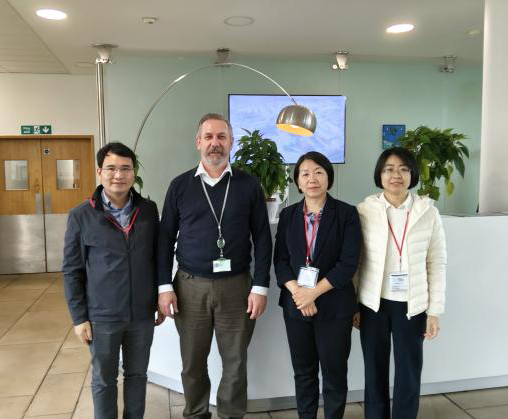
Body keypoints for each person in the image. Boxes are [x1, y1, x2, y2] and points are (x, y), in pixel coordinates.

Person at [158, 113, 272, 419]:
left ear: (231, 142)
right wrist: (164, 287)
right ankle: (196, 413)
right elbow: (165, 239)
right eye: (208, 137)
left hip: (237, 287)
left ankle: (231, 415)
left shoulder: (249, 185)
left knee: (235, 362)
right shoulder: (180, 186)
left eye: (222, 137)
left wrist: (260, 287)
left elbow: (263, 238)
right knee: (192, 362)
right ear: (198, 142)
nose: (215, 143)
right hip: (189, 287)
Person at [63, 142, 164, 419]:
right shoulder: (81, 215)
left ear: (134, 173)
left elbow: (158, 259)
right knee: (104, 380)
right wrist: (79, 317)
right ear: (99, 172)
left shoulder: (148, 210)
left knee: (137, 375)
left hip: (141, 314)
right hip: (102, 316)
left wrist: (159, 297)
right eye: (111, 168)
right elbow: (72, 270)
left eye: (125, 168)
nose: (118, 175)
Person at [355, 147, 447, 419]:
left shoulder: (428, 212)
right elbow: (355, 262)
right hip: (373, 304)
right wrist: (354, 304)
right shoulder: (364, 211)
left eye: (403, 169)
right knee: (374, 370)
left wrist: (434, 311)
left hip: (412, 305)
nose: (396, 175)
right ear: (380, 175)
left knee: (409, 371)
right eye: (389, 169)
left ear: (412, 174)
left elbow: (437, 263)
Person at [274, 151, 362, 419]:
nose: (312, 179)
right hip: (296, 306)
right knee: (304, 372)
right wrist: (298, 293)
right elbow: (281, 261)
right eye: (305, 174)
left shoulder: (346, 214)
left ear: (328, 178)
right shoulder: (288, 215)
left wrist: (312, 293)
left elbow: (348, 264)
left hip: (335, 306)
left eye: (318, 172)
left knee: (334, 373)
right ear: (298, 182)